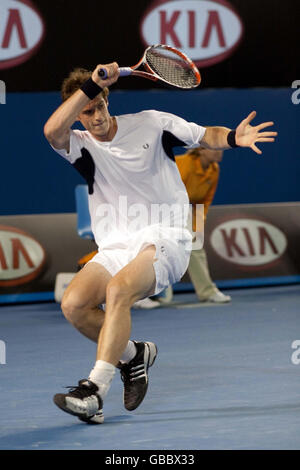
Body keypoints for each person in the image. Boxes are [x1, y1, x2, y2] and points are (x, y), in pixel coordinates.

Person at [43, 62, 277, 424]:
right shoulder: (79, 146)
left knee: (119, 291)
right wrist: (90, 84)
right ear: (80, 115)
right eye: (86, 112)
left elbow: (204, 135)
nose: (96, 116)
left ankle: (94, 391)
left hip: (167, 238)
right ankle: (134, 355)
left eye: (100, 106)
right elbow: (52, 129)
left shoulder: (151, 121)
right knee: (74, 305)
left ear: (108, 101)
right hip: (117, 247)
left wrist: (234, 138)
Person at [158, 148, 231, 304]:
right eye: (215, 148)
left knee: (196, 244)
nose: (220, 152)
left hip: (184, 208)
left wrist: (198, 227)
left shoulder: (213, 170)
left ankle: (207, 291)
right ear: (202, 150)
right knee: (165, 248)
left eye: (221, 148)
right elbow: (169, 193)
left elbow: (204, 201)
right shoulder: (184, 163)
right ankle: (159, 293)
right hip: (161, 205)